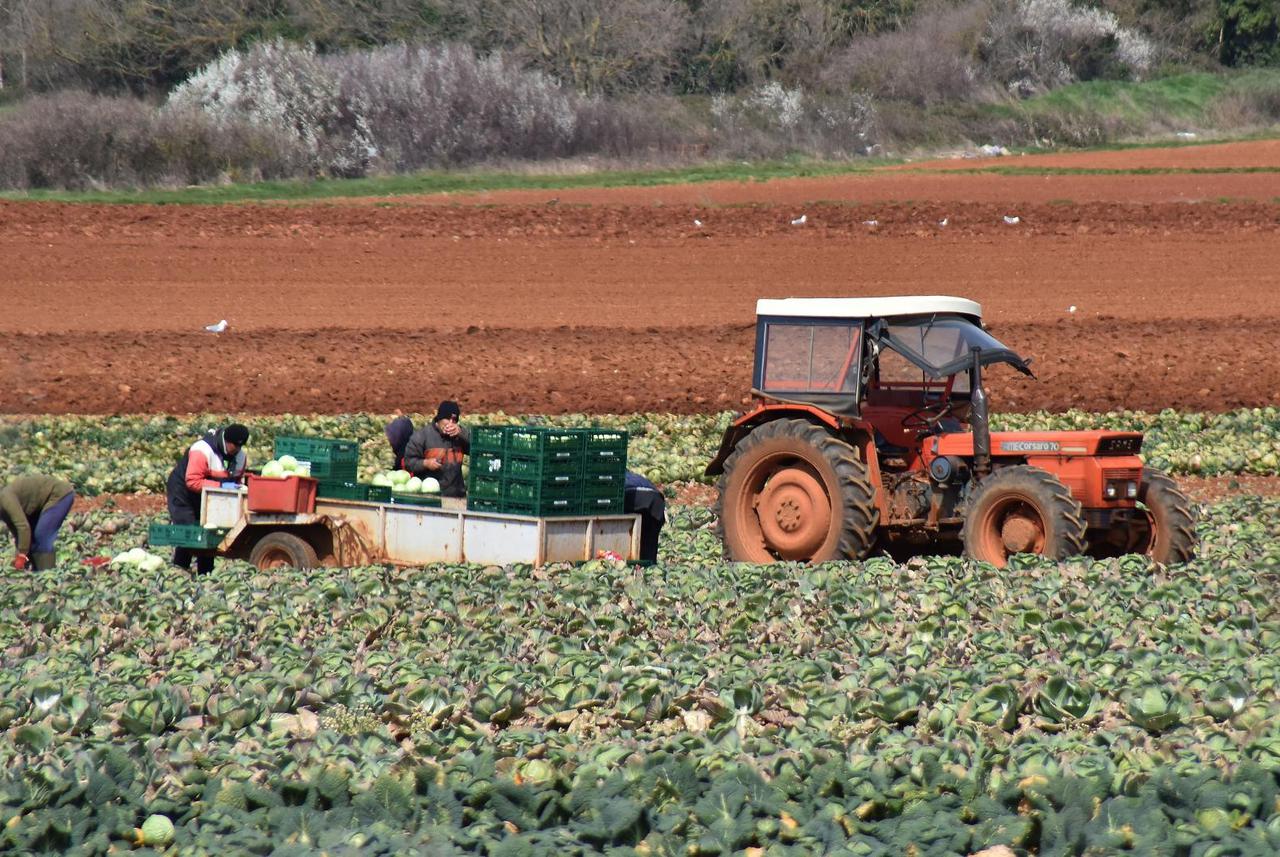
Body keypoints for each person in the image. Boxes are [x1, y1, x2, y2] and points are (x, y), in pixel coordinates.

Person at [166, 423, 249, 573]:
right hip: (183, 491)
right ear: (227, 441)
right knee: (189, 530)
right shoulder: (202, 450)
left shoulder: (240, 457)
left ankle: (205, 573)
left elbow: (237, 482)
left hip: (210, 493)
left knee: (210, 528)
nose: (236, 450)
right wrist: (221, 486)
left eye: (239, 447)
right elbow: (192, 481)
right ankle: (180, 569)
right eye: (234, 446)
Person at [1, 473, 76, 570]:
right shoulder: (3, 510)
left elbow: (23, 526)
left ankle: (48, 573)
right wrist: (20, 551)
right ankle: (36, 573)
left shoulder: (6, 500)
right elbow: (16, 530)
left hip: (59, 495)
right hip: (36, 505)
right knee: (31, 540)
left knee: (42, 537)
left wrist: (22, 555)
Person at [404, 401, 470, 497]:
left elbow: (478, 447)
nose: (451, 423)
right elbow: (408, 462)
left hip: (456, 497)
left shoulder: (459, 437)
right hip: (430, 497)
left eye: (454, 420)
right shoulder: (422, 436)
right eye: (447, 419)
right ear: (439, 418)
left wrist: (462, 433)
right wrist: (425, 463)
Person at [624, 471, 666, 564]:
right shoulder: (631, 475)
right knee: (648, 549)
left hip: (633, 497)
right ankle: (648, 570)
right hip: (656, 501)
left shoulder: (611, 478)